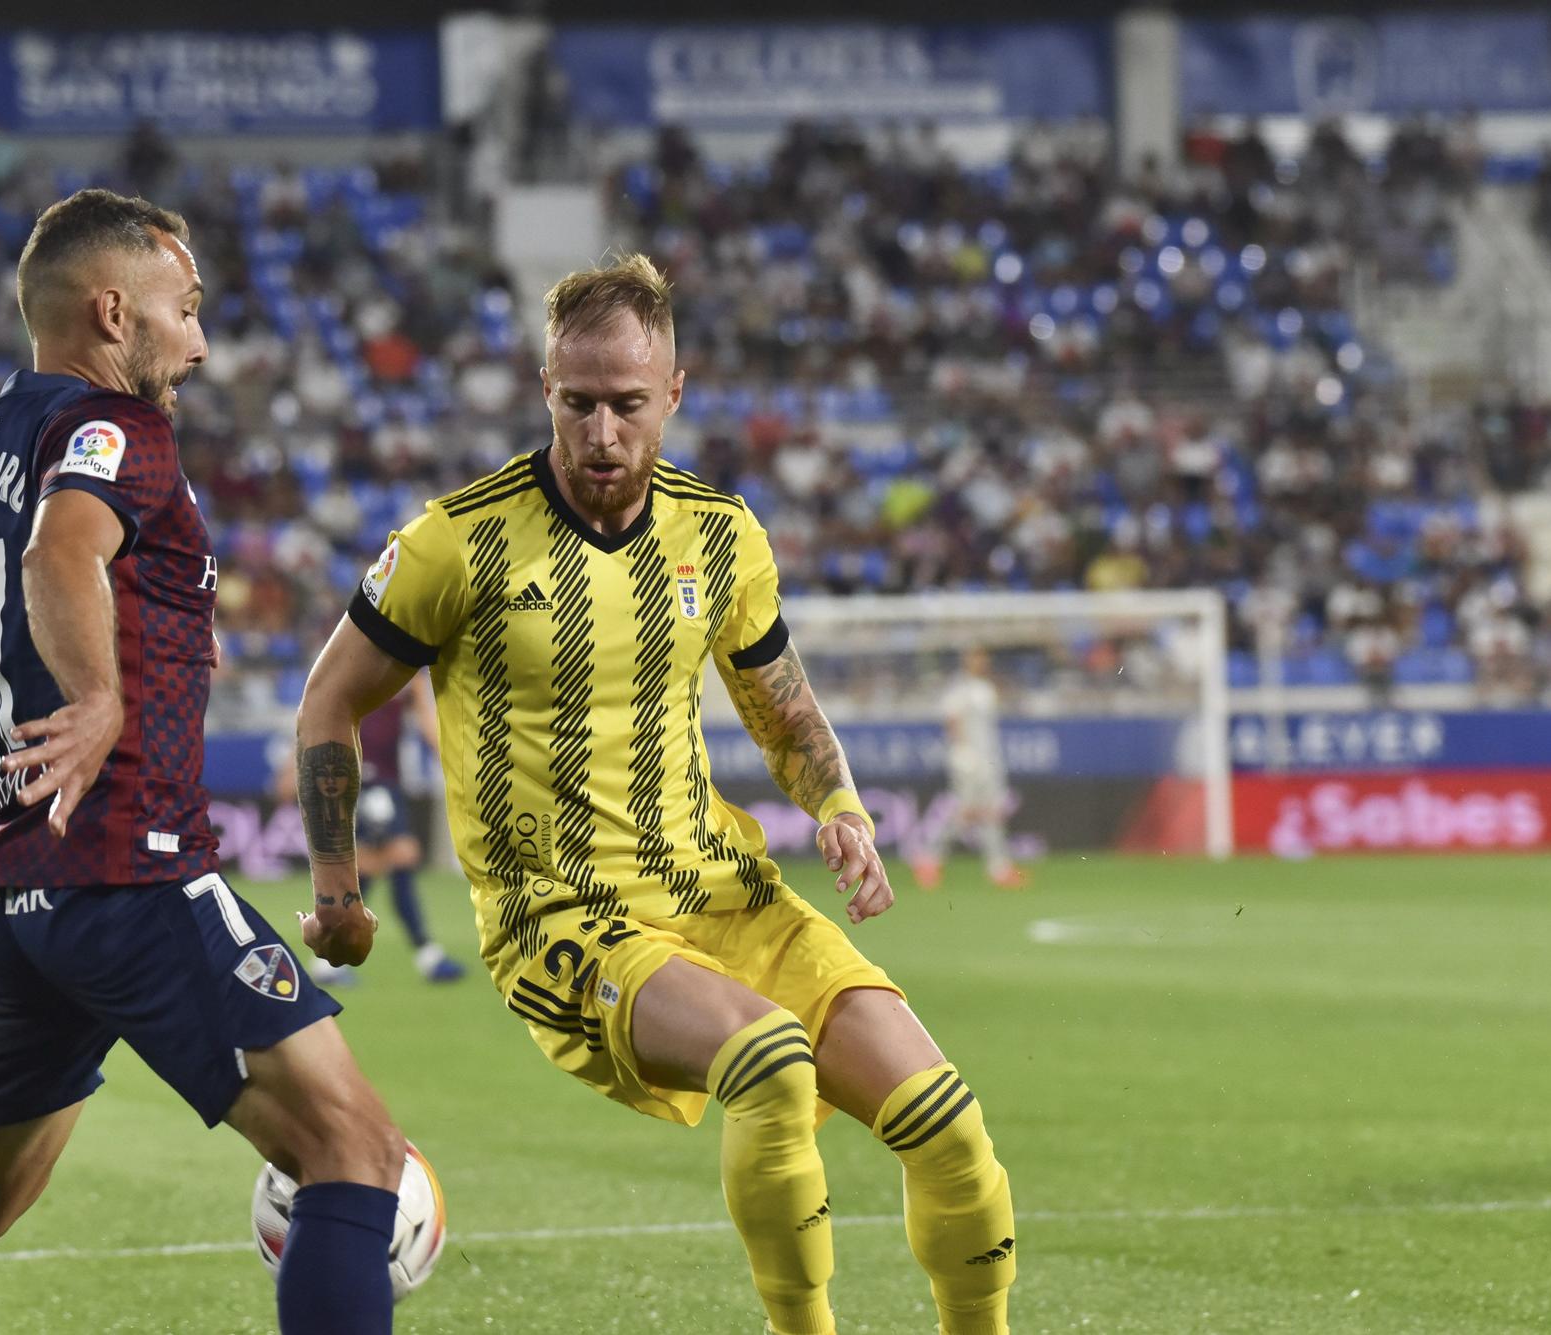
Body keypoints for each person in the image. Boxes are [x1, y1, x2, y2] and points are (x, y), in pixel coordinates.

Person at [294, 254, 1016, 1335]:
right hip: (561, 919)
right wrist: (338, 889)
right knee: (768, 1064)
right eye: (576, 402)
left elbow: (782, 704)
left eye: (626, 404)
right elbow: (327, 701)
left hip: (723, 894)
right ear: (543, 386)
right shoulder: (456, 541)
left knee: (945, 1122)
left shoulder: (720, 534)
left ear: (672, 393)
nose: (599, 432)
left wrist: (839, 806)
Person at [0, 189, 403, 1335]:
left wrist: (89, 650)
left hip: (22, 892)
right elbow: (62, 549)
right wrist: (95, 696)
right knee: (354, 1153)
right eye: (182, 311)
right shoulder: (115, 429)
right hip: (128, 866)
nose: (197, 340)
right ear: (108, 312)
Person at [279, 672, 467, 985]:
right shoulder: (363, 658)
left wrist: (453, 763)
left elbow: (426, 722)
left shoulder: (407, 672)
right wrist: (292, 767)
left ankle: (339, 960)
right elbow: (315, 711)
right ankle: (417, 956)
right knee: (385, 861)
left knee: (384, 864)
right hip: (357, 776)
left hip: (386, 782)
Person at [914, 647, 1026, 891]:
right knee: (966, 813)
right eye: (976, 658)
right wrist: (962, 752)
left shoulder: (985, 689)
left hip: (989, 759)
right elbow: (952, 721)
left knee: (992, 811)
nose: (980, 662)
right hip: (969, 760)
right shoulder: (959, 689)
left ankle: (999, 868)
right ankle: (929, 857)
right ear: (967, 660)